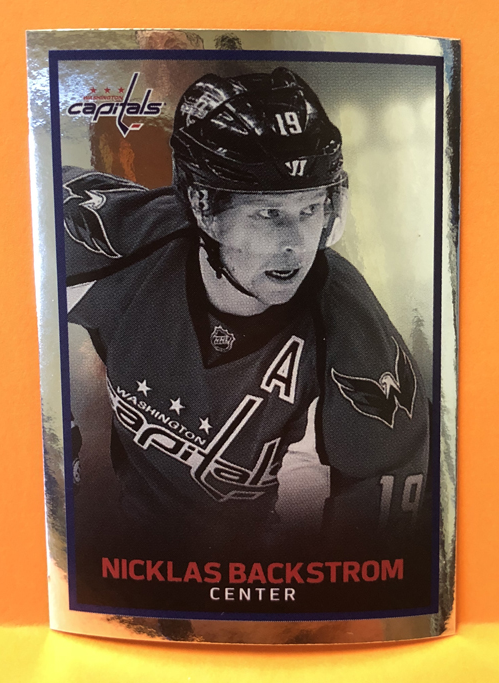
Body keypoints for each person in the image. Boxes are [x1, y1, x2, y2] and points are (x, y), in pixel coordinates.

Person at [64, 67, 430, 571]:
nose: (296, 244)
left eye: (310, 209)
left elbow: (388, 495)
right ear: (203, 206)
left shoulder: (344, 317)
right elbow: (24, 204)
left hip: (263, 569)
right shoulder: (119, 240)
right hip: (135, 555)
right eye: (268, 214)